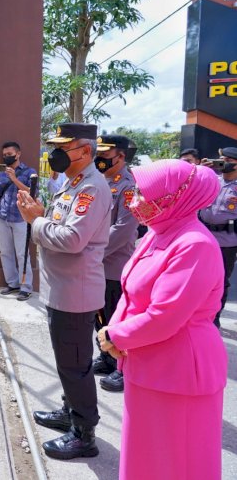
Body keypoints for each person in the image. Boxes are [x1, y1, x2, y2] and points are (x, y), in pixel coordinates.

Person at [98, 159, 227, 480]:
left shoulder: (194, 244)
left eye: (143, 194)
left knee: (176, 461)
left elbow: (165, 315)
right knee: (148, 457)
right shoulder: (159, 233)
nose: (135, 200)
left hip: (180, 371)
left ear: (176, 197)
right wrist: (116, 331)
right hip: (150, 363)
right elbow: (130, 290)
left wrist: (115, 337)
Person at [17, 123, 111, 460]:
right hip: (63, 289)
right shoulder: (73, 183)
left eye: (63, 147)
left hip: (75, 293)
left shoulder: (92, 189)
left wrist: (35, 221)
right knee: (69, 360)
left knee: (75, 366)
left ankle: (84, 433)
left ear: (85, 152)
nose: (54, 153)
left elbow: (72, 240)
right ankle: (69, 411)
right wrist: (40, 215)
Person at [91, 135, 138, 393]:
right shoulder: (101, 182)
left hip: (113, 263)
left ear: (120, 156)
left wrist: (94, 249)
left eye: (105, 155)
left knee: (115, 316)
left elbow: (124, 228)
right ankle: (108, 357)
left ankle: (122, 366)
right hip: (97, 262)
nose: (100, 159)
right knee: (100, 315)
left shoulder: (128, 186)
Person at [0, 141, 36, 301]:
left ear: (18, 154)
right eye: (4, 155)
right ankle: (13, 283)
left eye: (10, 154)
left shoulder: (29, 172)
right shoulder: (0, 173)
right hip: (3, 216)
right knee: (5, 252)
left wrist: (14, 179)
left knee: (22, 253)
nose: (7, 157)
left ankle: (26, 287)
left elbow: (32, 193)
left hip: (20, 217)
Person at [199, 147, 237, 328]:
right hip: (204, 238)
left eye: (228, 159)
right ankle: (198, 312)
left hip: (227, 242)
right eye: (221, 158)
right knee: (199, 278)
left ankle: (213, 317)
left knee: (220, 281)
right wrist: (201, 170)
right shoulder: (213, 181)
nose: (223, 162)